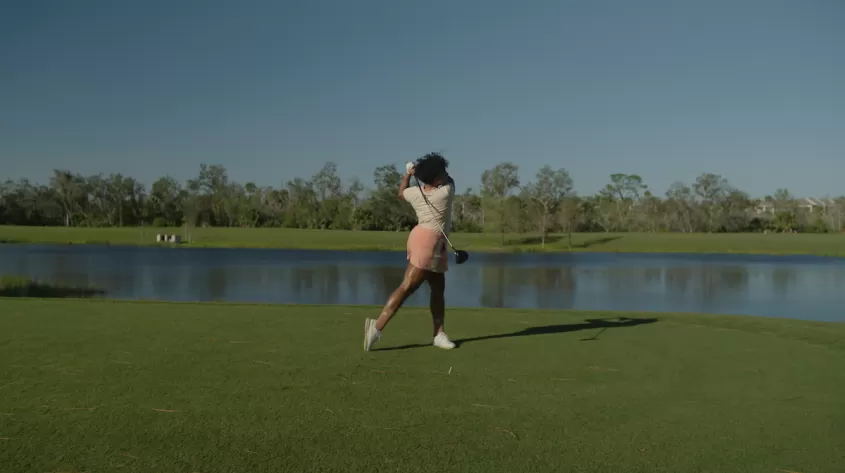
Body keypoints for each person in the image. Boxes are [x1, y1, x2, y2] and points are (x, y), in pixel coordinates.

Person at [363, 152, 457, 352]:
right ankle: (376, 327)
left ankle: (438, 334)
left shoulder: (415, 192)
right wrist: (419, 171)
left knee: (438, 289)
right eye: (441, 172)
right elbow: (450, 179)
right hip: (427, 243)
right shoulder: (445, 192)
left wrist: (408, 174)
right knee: (407, 287)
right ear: (435, 178)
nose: (445, 173)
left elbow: (401, 193)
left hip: (429, 240)